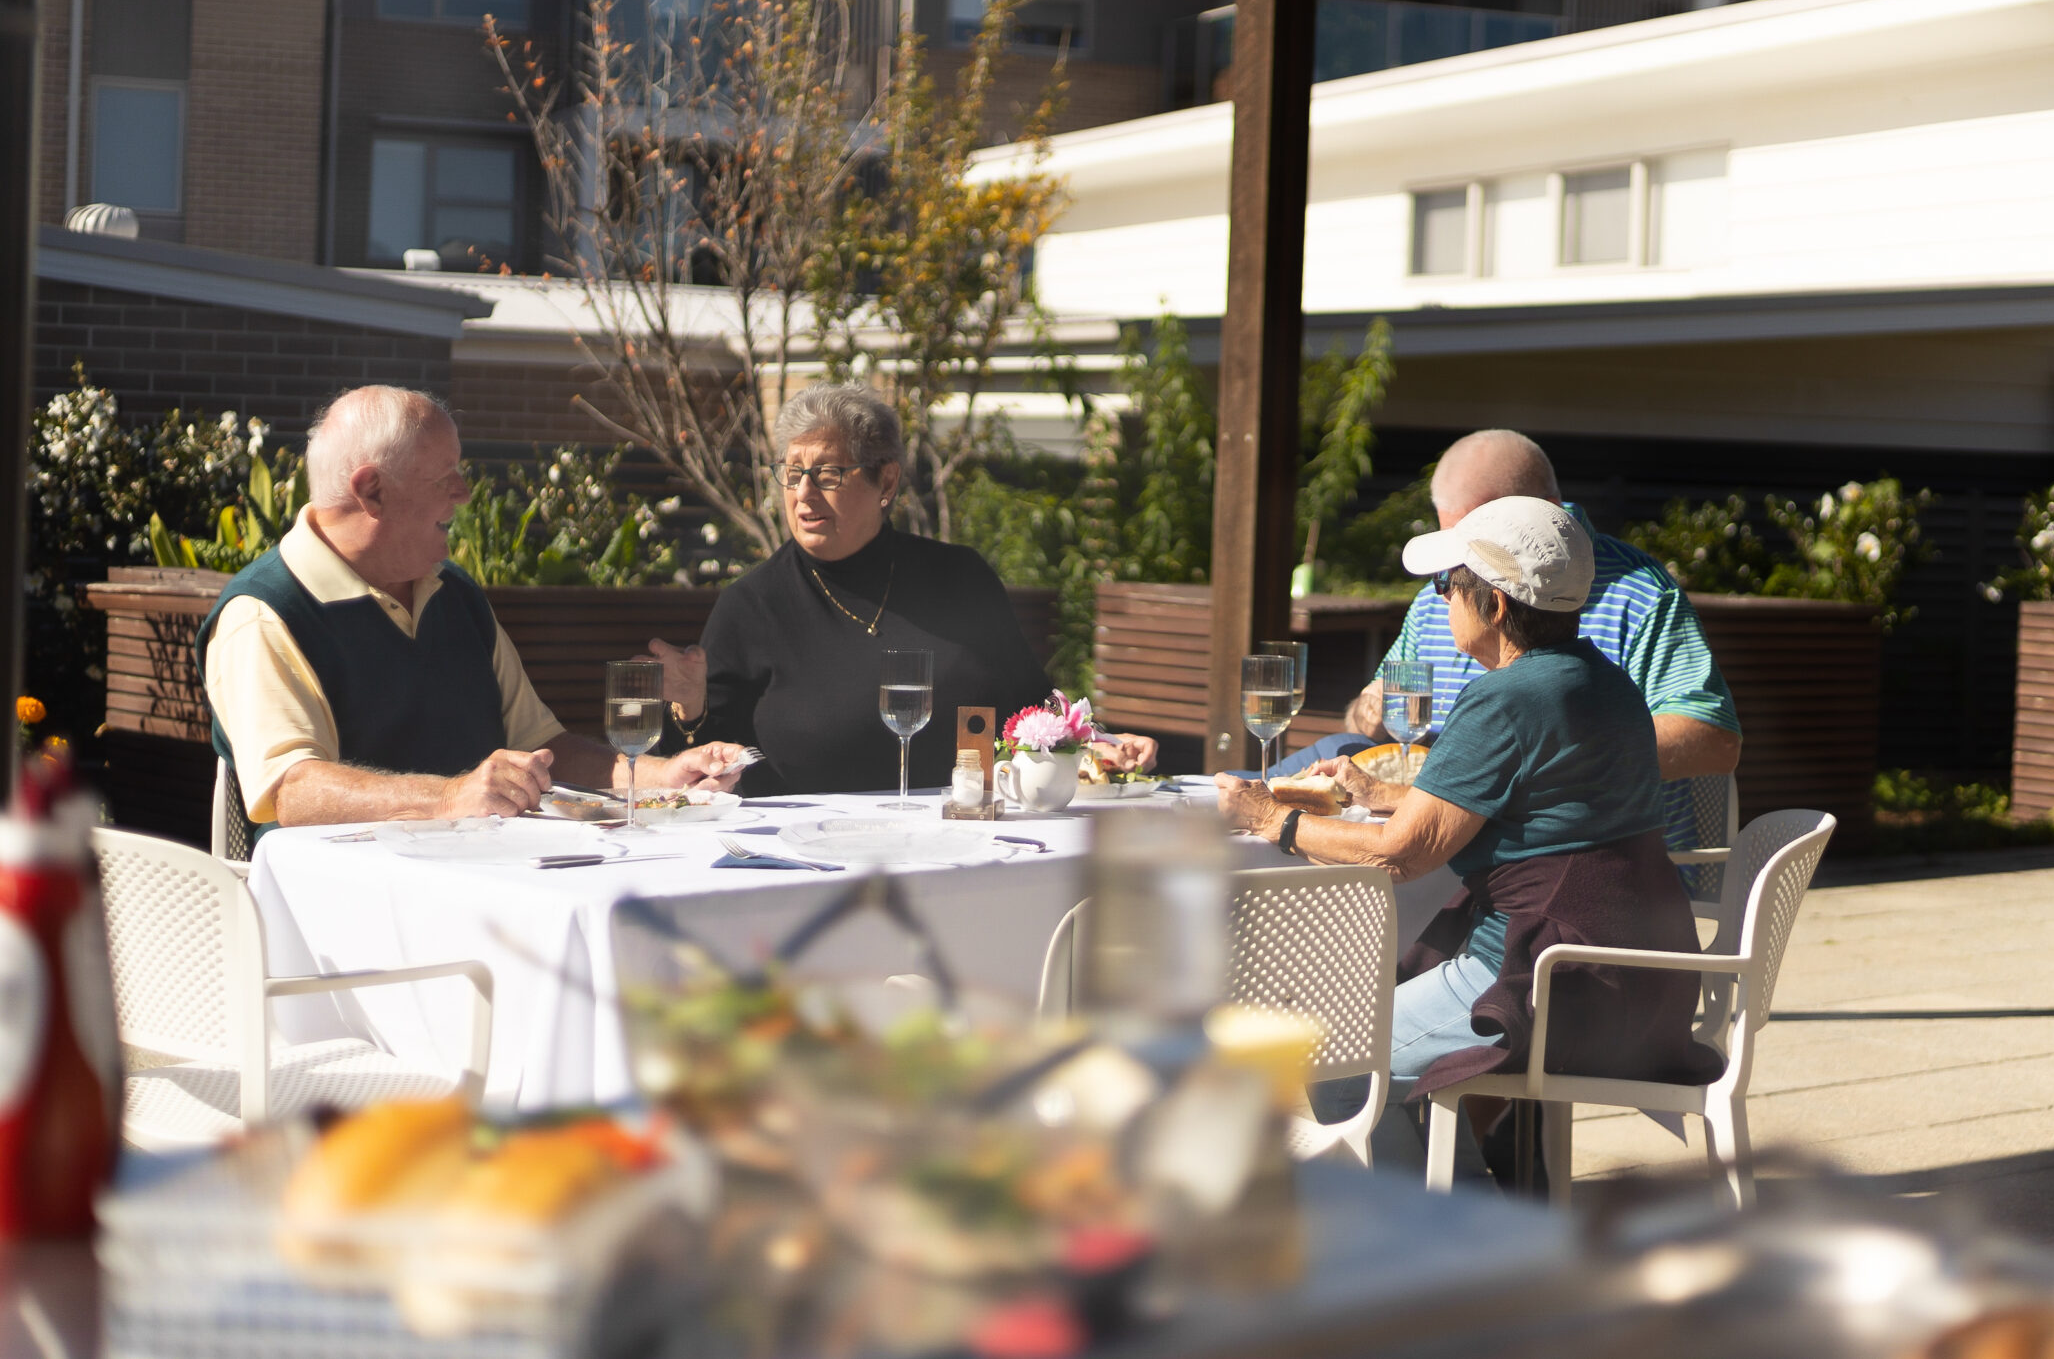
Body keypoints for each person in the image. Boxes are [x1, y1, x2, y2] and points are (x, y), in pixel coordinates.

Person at [1217, 496, 1718, 1115]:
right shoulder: (1602, 681)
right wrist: (1383, 792)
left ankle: (1403, 1213)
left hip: (1556, 979)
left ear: (1497, 604)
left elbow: (1398, 857)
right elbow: (1543, 804)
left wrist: (1272, 819)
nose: (1439, 599)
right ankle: (1449, 1195)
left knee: (1322, 1069)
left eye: (1445, 585)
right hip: (1639, 977)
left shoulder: (1506, 698)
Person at [199, 386, 747, 827]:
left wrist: (660, 776)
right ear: (372, 492)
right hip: (349, 921)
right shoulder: (263, 613)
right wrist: (450, 798)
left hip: (484, 884)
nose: (464, 493)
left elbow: (544, 748)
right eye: (444, 478)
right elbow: (293, 790)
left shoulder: (454, 593)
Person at [671, 383, 1155, 796]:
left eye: (828, 473)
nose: (803, 493)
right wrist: (691, 711)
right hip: (807, 855)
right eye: (793, 473)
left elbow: (1029, 707)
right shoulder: (752, 606)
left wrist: (1095, 742)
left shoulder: (960, 579)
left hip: (963, 836)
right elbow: (704, 763)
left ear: (887, 480)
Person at [1300, 429, 1741, 852]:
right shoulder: (1441, 593)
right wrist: (1368, 713)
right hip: (1454, 842)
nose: (1453, 579)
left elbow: (1714, 741)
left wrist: (1495, 770)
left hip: (1588, 858)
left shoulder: (1640, 594)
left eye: (1478, 547)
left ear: (1546, 510)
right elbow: (1378, 717)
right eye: (1451, 550)